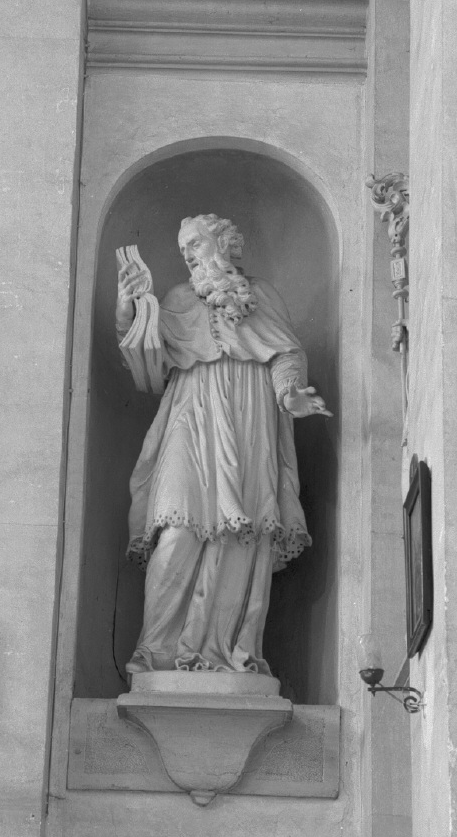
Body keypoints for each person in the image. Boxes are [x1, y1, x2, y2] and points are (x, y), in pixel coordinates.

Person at [116, 214, 331, 677]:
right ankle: (156, 652)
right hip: (191, 415)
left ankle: (223, 652)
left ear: (224, 243)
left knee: (241, 533)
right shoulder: (178, 299)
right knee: (176, 529)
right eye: (183, 249)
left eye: (195, 243)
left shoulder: (262, 295)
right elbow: (146, 358)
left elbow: (286, 352)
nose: (189, 255)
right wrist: (129, 308)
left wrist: (289, 392)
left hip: (250, 418)